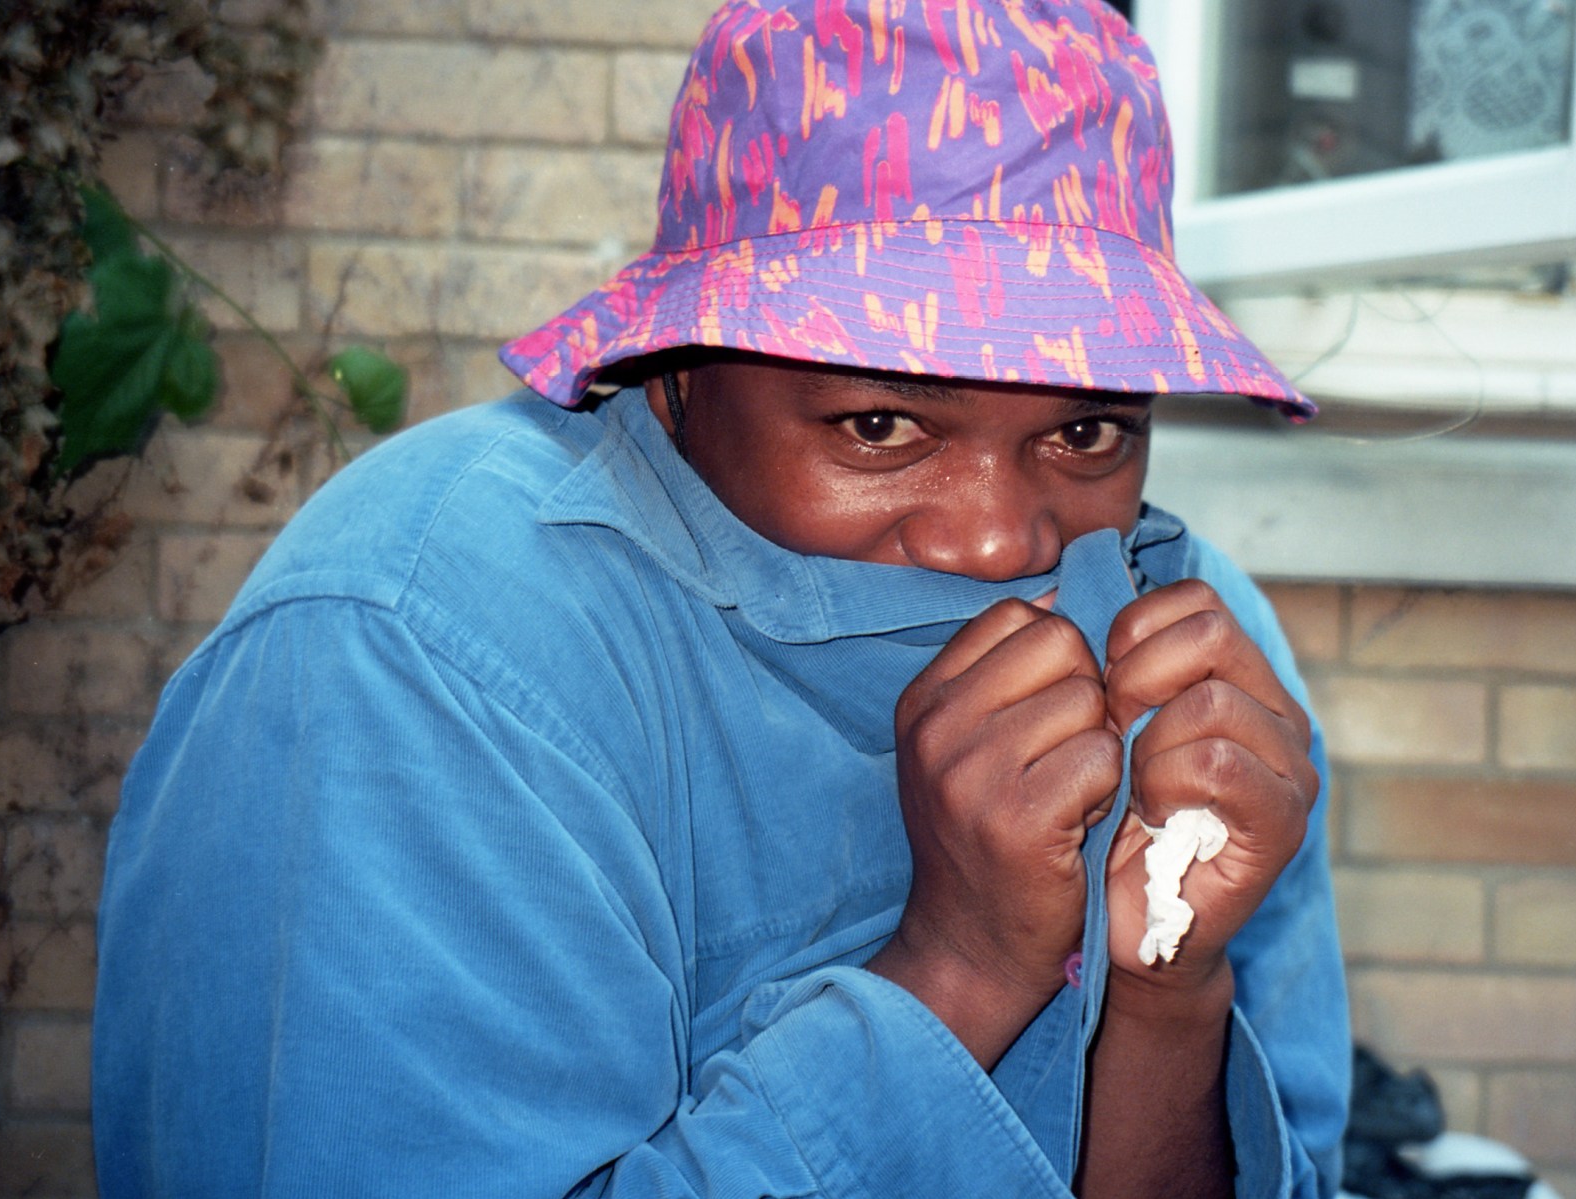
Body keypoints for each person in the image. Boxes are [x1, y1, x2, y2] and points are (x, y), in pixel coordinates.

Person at [91, 1, 1351, 1195]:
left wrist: (1163, 993)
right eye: (877, 422)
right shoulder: (413, 654)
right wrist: (958, 972)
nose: (996, 539)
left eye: (1084, 430)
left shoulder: (1185, 643)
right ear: (674, 371)